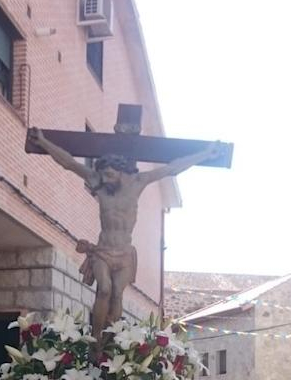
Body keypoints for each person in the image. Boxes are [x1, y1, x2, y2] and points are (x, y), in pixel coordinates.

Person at [28, 128, 224, 341]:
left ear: (121, 171)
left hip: (124, 254)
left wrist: (205, 154)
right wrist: (44, 142)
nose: (106, 178)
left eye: (110, 174)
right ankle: (96, 342)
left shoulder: (138, 183)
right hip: (103, 251)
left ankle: (113, 340)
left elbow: (172, 168)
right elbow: (69, 163)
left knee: (117, 295)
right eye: (103, 174)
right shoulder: (99, 183)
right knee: (104, 289)